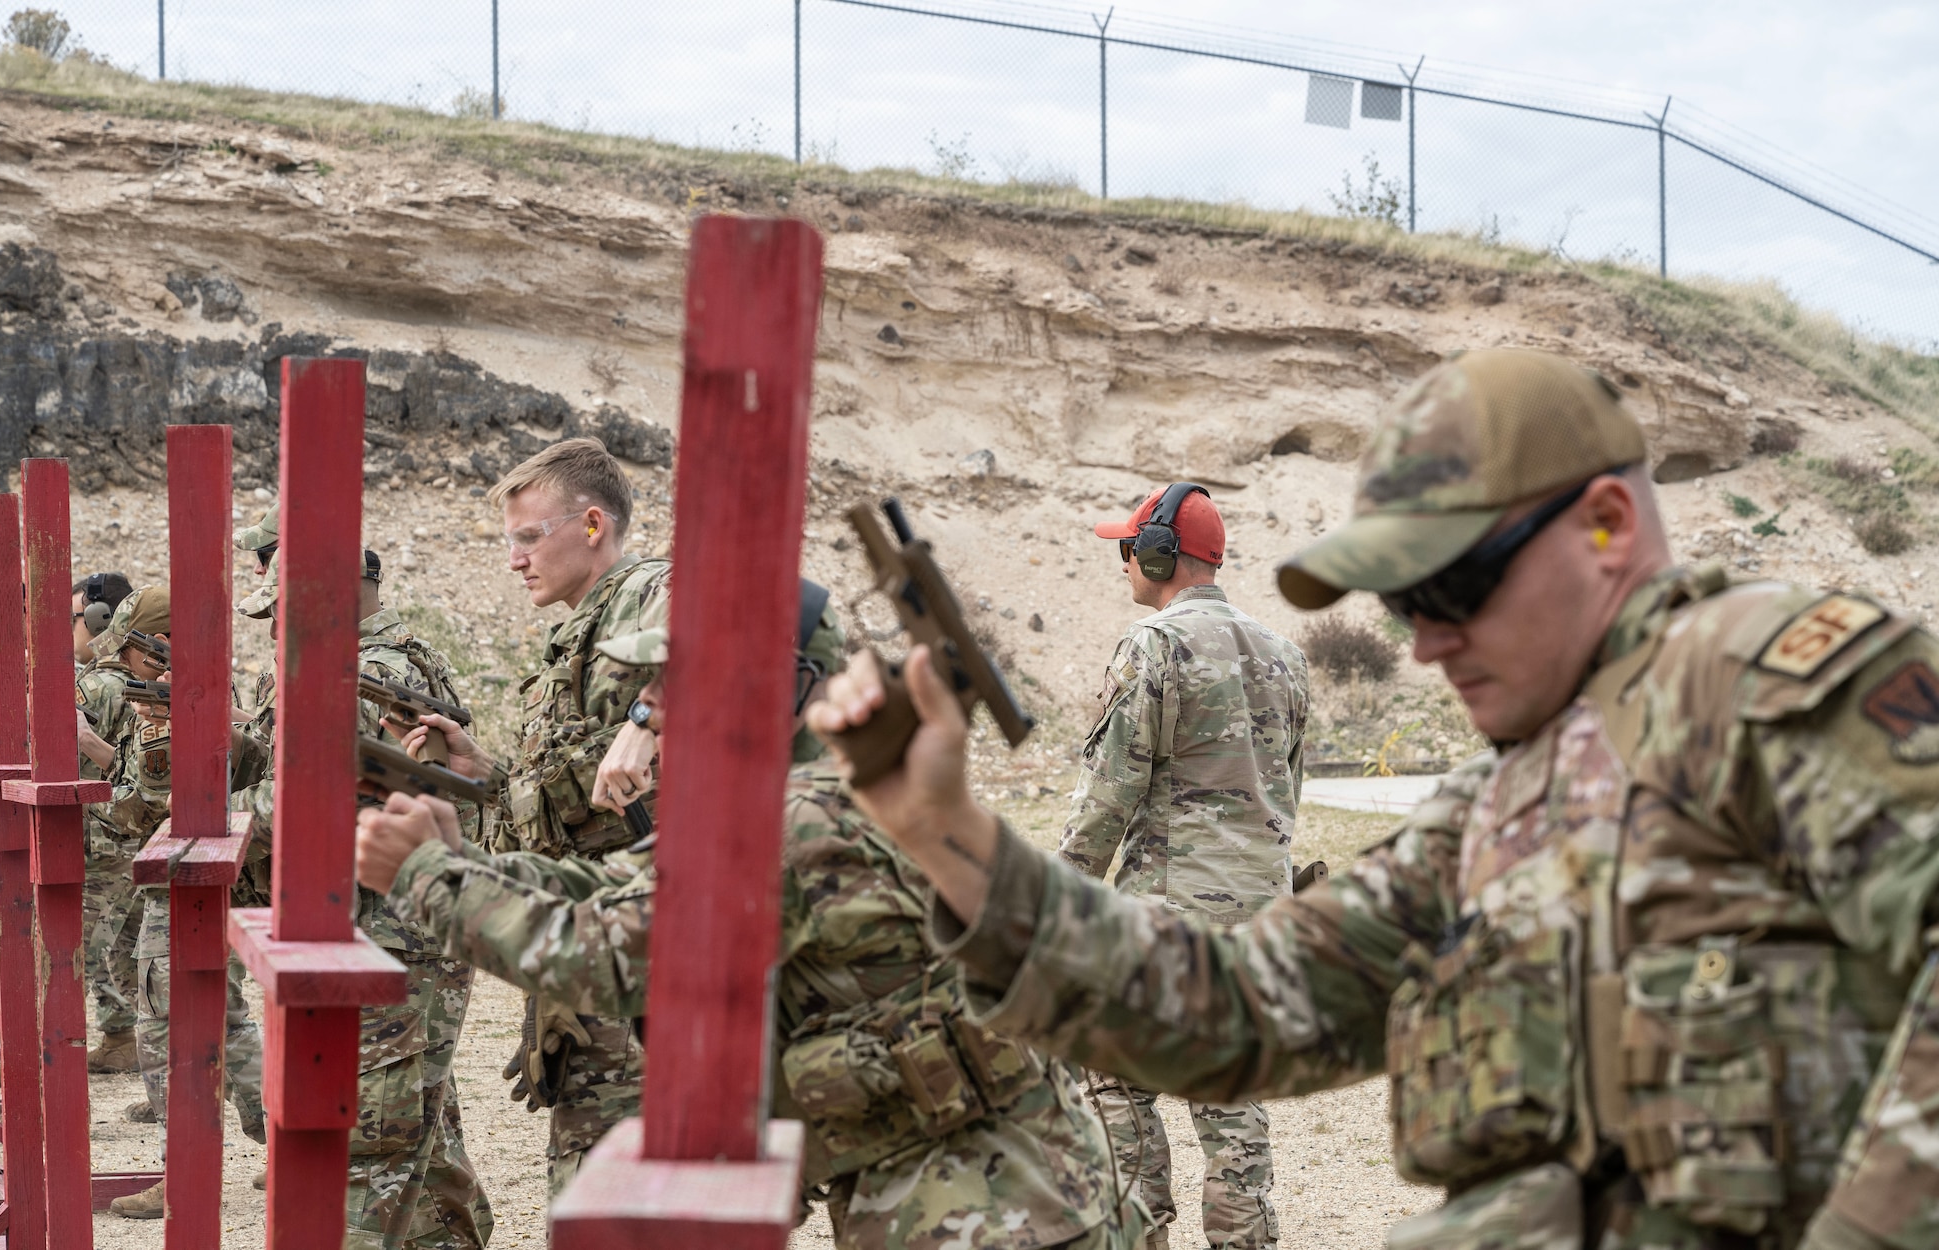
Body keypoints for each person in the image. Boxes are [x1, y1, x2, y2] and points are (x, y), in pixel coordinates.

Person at [807, 347, 1939, 1249]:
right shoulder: (1503, 802)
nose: (1428, 641)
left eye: (1453, 583)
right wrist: (944, 830)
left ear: (1605, 525)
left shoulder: (1757, 680)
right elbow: (1234, 1006)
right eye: (1404, 604)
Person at [360, 591, 1137, 1250]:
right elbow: (630, 890)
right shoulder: (828, 790)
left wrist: (427, 875)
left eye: (677, 680)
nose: (651, 708)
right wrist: (471, 866)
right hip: (1003, 1189)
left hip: (990, 1210)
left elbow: (604, 952)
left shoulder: (803, 819)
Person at [390, 438, 669, 1194]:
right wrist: (484, 776)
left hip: (645, 951)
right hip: (588, 944)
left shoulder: (647, 590)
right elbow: (571, 812)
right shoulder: (577, 632)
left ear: (590, 525)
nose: (514, 559)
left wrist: (646, 718)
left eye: (527, 536)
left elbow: (730, 624)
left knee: (614, 1200)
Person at [227, 549, 495, 1249]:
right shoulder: (389, 657)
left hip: (392, 923)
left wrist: (229, 816)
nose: (277, 628)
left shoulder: (368, 673)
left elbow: (324, 789)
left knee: (371, 1142)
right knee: (415, 1126)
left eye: (286, 611)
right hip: (399, 915)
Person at [1063, 483, 1308, 1250]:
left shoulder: (1153, 647)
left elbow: (1109, 795)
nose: (1126, 561)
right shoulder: (1286, 655)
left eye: (1131, 547)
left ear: (1164, 553)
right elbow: (1286, 797)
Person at [92, 587, 270, 1220]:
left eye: (139, 655)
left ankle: (184, 1173)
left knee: (163, 1029)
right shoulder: (196, 700)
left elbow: (144, 804)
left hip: (187, 880)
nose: (130, 670)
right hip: (198, 876)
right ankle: (276, 1141)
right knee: (226, 1020)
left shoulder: (183, 707)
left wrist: (122, 748)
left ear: (163, 646)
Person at [71, 570, 144, 1073]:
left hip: (100, 839)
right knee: (126, 947)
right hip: (140, 838)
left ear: (100, 619)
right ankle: (120, 1038)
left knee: (79, 947)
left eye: (75, 618)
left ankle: (59, 1048)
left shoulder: (92, 686)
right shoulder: (154, 681)